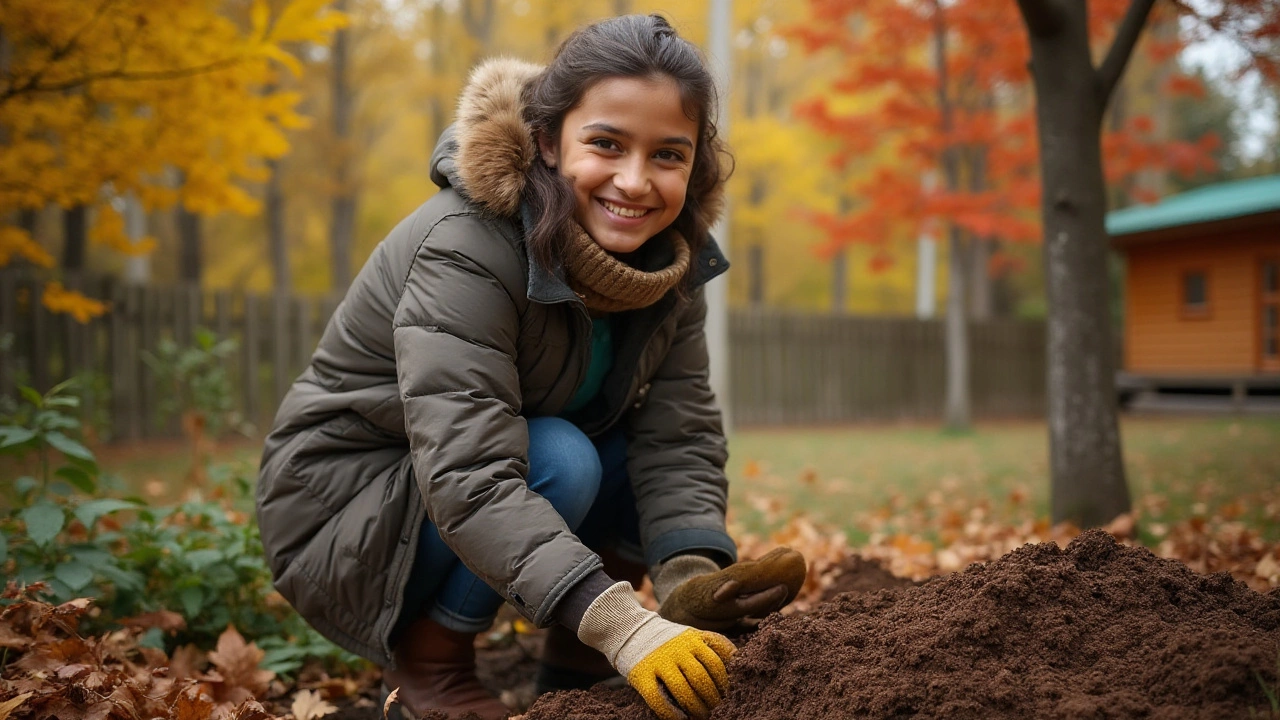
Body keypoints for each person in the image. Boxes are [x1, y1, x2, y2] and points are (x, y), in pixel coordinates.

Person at [255, 14, 806, 720]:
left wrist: (692, 577)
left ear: (695, 163)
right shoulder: (467, 247)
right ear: (547, 141)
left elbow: (679, 434)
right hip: (346, 508)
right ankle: (431, 666)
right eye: (606, 144)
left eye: (668, 155)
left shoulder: (668, 264)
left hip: (476, 478)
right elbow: (468, 469)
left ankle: (576, 674)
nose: (635, 182)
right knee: (564, 457)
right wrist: (625, 625)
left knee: (616, 447)